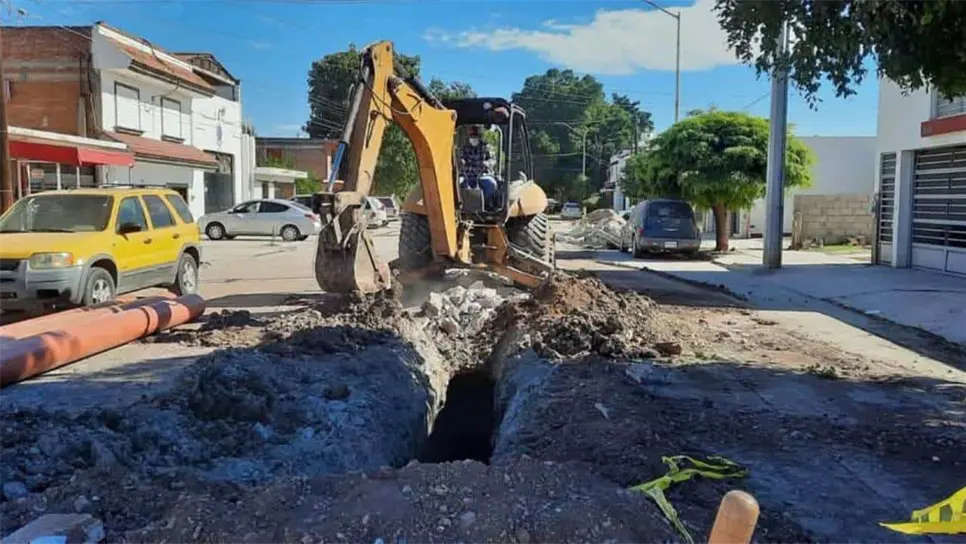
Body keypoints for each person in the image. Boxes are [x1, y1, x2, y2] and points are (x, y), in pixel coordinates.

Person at [459, 125, 498, 208]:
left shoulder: (487, 147)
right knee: (457, 183)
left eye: (475, 136)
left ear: (479, 135)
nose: (473, 138)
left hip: (482, 176)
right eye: (471, 136)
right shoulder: (464, 148)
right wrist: (461, 162)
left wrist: (487, 164)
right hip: (467, 176)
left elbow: (493, 161)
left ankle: (484, 203)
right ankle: (462, 205)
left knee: (491, 184)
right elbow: (460, 159)